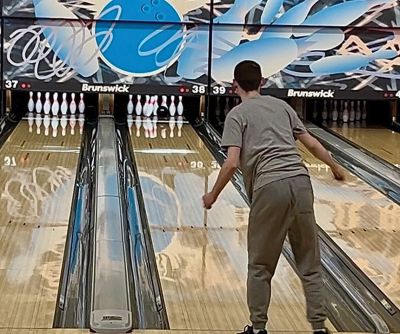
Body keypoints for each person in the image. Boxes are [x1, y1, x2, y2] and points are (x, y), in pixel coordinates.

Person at [202, 60, 346, 334]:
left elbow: (231, 163)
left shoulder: (236, 114)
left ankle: (258, 329)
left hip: (270, 188)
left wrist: (212, 194)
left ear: (235, 85)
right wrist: (335, 167)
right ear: (263, 82)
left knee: (260, 264)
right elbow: (312, 143)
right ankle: (318, 328)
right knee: (309, 262)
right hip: (302, 184)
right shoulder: (283, 107)